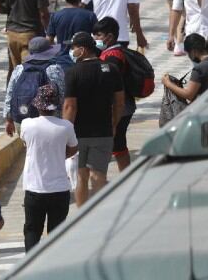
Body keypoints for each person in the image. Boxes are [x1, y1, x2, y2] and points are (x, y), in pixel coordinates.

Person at [63, 33, 124, 207]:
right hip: (103, 132)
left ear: (82, 50)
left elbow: (69, 107)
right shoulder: (111, 69)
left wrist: (66, 134)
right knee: (99, 175)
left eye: (73, 47)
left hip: (78, 135)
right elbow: (119, 102)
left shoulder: (72, 72)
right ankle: (98, 214)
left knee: (81, 176)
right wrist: (113, 124)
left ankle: (83, 215)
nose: (72, 51)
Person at [19, 83, 77, 252]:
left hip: (34, 188)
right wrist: (59, 155)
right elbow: (73, 148)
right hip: (59, 190)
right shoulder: (66, 126)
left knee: (32, 230)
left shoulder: (27, 124)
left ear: (37, 105)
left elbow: (25, 143)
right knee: (56, 234)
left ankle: (30, 267)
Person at [91, 17, 137, 172]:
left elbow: (108, 85)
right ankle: (126, 178)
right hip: (123, 106)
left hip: (118, 108)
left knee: (115, 144)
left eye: (98, 35)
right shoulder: (113, 53)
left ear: (109, 37)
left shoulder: (113, 57)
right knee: (118, 144)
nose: (95, 39)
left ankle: (124, 179)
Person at [3, 37, 66, 137]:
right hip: (50, 121)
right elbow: (62, 95)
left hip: (22, 119)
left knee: (30, 150)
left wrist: (8, 119)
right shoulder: (54, 69)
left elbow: (9, 94)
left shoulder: (19, 69)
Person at [162, 33, 208, 102]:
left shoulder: (200, 69)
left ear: (193, 51)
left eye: (188, 53)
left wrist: (168, 83)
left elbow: (189, 95)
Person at [46, 0, 97, 64]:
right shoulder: (90, 16)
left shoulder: (56, 16)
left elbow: (49, 40)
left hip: (62, 61)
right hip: (83, 61)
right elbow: (98, 40)